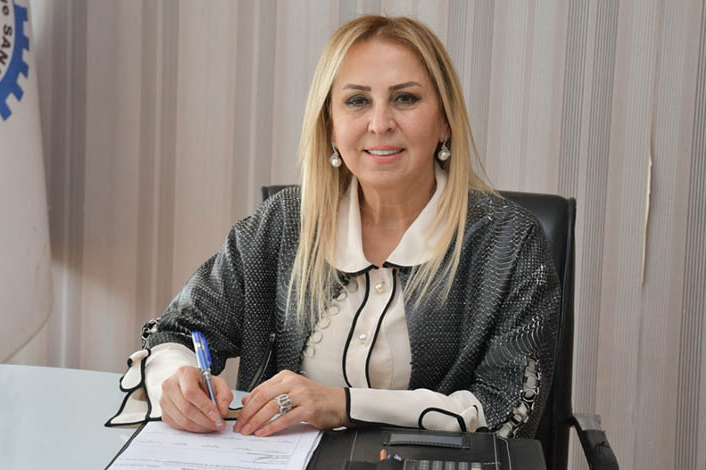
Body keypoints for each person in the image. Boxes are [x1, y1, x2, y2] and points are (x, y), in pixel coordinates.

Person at [109, 15, 559, 440]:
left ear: (444, 120)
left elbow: (507, 414)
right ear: (329, 125)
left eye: (405, 98)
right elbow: (177, 331)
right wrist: (176, 378)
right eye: (357, 101)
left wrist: (344, 405)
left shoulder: (510, 243)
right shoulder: (284, 223)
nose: (380, 123)